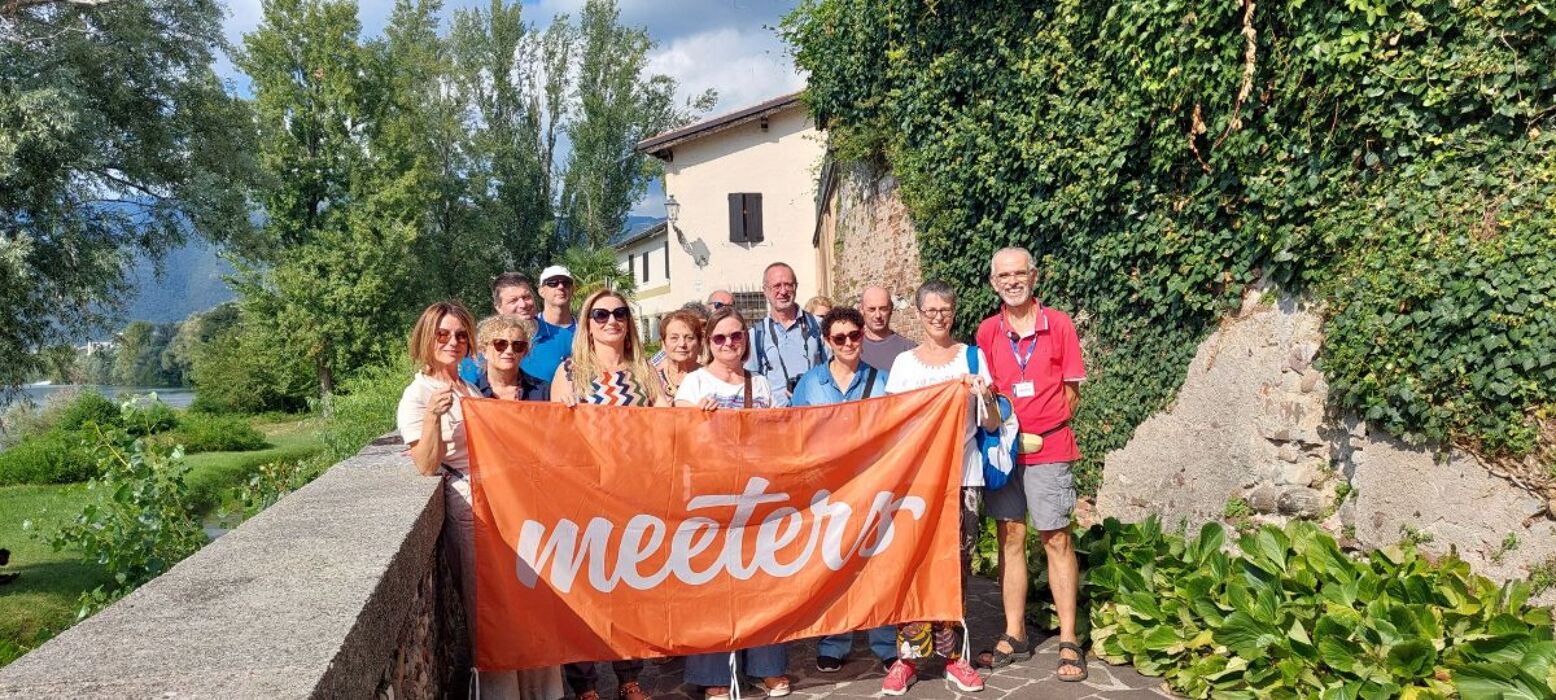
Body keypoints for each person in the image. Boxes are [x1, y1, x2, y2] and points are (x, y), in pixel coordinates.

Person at [397, 301, 565, 700]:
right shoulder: (418, 394)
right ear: (426, 338)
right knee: (491, 611)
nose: (452, 341)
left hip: (506, 505)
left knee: (526, 604)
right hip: (470, 510)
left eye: (460, 334)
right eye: (442, 334)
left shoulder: (468, 388)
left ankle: (542, 694)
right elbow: (426, 465)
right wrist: (432, 418)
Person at [879, 280, 1000, 695]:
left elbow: (991, 423)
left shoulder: (972, 357)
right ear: (918, 313)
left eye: (944, 309)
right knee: (911, 565)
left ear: (954, 311)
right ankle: (909, 658)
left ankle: (953, 657)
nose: (938, 316)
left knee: (956, 568)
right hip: (916, 482)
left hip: (962, 477)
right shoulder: (904, 364)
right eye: (930, 310)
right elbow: (893, 422)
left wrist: (984, 394)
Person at [973, 247, 1087, 682]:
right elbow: (986, 391)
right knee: (1010, 538)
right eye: (1004, 276)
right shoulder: (987, 331)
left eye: (1019, 273)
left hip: (1049, 448)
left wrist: (1045, 424)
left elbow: (1072, 392)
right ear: (993, 283)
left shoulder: (1058, 324)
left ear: (1034, 276)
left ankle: (1069, 638)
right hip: (1004, 451)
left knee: (1056, 539)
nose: (1012, 281)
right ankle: (1015, 632)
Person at [550, 290, 664, 700]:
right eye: (600, 314)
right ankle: (584, 682)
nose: (611, 320)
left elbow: (667, 418)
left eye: (619, 313)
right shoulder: (570, 371)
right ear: (587, 323)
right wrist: (562, 412)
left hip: (633, 493)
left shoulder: (644, 369)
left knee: (629, 589)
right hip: (585, 495)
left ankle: (629, 675)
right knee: (584, 589)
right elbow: (552, 435)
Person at [674, 305, 787, 698]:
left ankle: (766, 666)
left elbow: (778, 435)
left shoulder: (762, 385)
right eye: (720, 337)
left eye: (736, 336)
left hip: (754, 493)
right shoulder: (693, 384)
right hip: (708, 494)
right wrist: (697, 418)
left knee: (762, 580)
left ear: (745, 340)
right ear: (709, 342)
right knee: (710, 583)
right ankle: (714, 675)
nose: (728, 343)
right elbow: (677, 437)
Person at [787, 307, 896, 675]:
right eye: (839, 337)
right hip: (828, 490)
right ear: (827, 341)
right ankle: (834, 641)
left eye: (854, 335)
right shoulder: (810, 384)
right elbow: (795, 433)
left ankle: (885, 643)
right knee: (834, 566)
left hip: (872, 484)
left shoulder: (883, 381)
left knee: (877, 564)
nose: (848, 343)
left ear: (863, 336)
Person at [746, 262, 828, 406]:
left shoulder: (819, 326)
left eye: (788, 285)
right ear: (765, 290)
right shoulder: (755, 335)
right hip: (775, 416)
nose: (783, 291)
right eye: (776, 286)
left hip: (816, 411)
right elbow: (750, 381)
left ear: (796, 287)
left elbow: (836, 370)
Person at [460, 273, 543, 386]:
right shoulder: (481, 347)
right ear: (498, 307)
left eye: (526, 297)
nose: (523, 304)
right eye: (513, 301)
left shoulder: (563, 338)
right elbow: (467, 390)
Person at [523, 265, 577, 386]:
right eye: (552, 283)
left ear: (573, 289)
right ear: (541, 291)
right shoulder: (527, 330)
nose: (560, 287)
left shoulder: (585, 331)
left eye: (566, 283)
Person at [474, 315, 549, 401]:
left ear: (525, 351)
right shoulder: (472, 393)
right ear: (484, 350)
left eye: (518, 345)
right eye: (501, 344)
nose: (509, 351)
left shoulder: (544, 391)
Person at [650, 309, 705, 405]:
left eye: (689, 338)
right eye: (674, 338)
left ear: (699, 343)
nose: (682, 344)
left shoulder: (709, 379)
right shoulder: (652, 379)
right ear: (663, 343)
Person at [859, 286, 917, 371]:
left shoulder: (909, 350)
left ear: (891, 309)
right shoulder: (852, 348)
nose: (878, 315)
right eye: (872, 309)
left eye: (883, 309)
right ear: (862, 310)